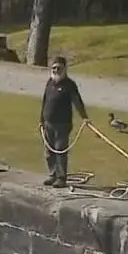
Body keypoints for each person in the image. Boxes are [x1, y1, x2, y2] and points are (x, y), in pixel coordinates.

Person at [40, 56, 88, 189]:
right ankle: (52, 174)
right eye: (53, 68)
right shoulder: (49, 82)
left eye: (59, 68)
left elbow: (77, 101)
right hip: (48, 123)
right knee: (49, 151)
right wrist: (41, 120)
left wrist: (84, 117)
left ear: (65, 69)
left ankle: (61, 178)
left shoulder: (69, 85)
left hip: (63, 124)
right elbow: (45, 101)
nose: (56, 70)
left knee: (60, 150)